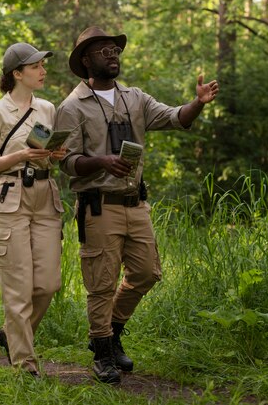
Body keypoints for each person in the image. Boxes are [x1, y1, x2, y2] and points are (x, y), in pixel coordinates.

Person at [54, 27, 219, 384]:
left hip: (136, 203)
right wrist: (101, 161)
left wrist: (198, 104)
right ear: (86, 60)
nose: (113, 55)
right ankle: (101, 353)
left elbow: (176, 118)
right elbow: (65, 160)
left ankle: (112, 332)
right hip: (98, 206)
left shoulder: (136, 98)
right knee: (101, 282)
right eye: (103, 51)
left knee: (147, 273)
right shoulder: (72, 107)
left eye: (115, 49)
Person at [0, 42, 66, 377]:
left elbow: (44, 146)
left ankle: (11, 333)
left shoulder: (47, 108)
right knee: (18, 289)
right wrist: (20, 157)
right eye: (36, 67)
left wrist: (54, 154)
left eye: (43, 65)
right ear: (17, 73)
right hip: (10, 195)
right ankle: (25, 367)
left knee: (47, 285)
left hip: (45, 195)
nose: (43, 71)